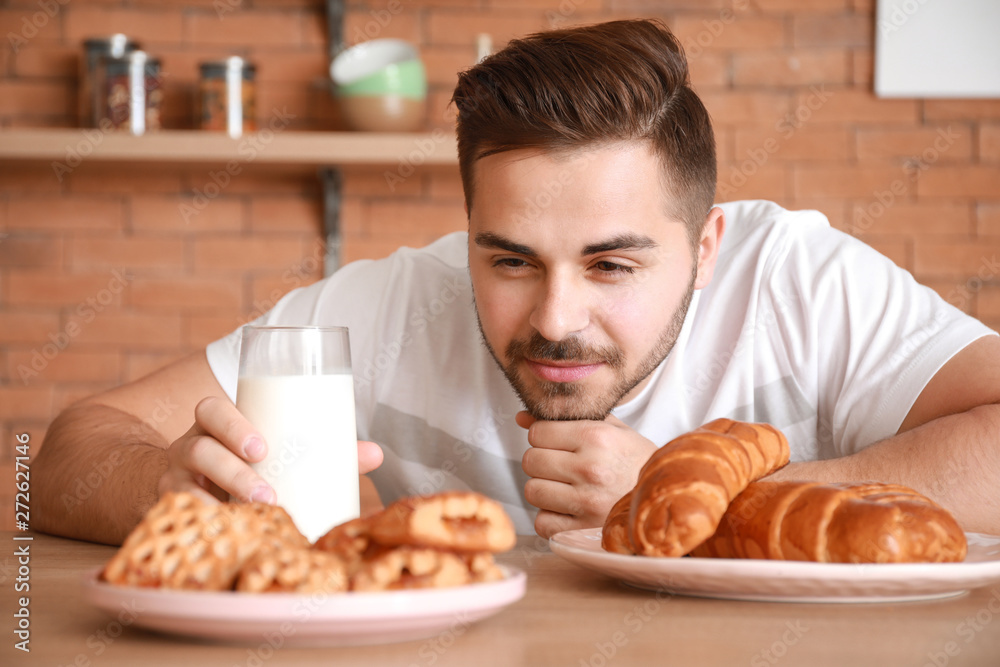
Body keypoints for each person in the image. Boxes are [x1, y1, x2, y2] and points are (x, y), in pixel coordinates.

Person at [33, 19, 1000, 546]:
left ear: (708, 244)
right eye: (509, 259)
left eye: (613, 264)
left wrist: (694, 499)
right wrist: (163, 486)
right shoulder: (387, 307)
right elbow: (67, 452)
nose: (555, 318)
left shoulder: (797, 279)